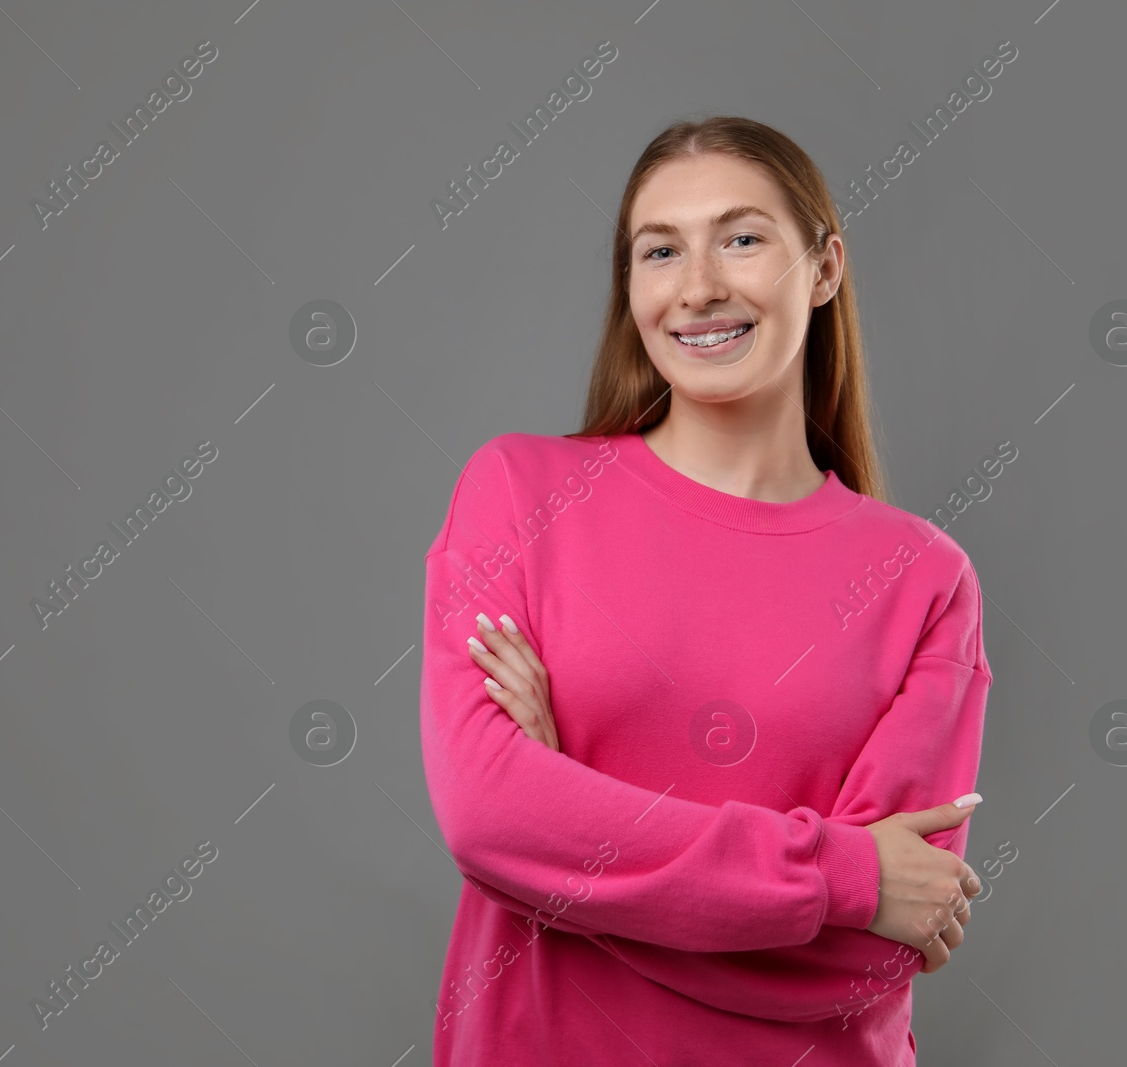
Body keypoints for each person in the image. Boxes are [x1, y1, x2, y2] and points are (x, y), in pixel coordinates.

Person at [419, 114, 993, 1066]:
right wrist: (844, 876)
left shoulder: (925, 581)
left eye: (741, 237)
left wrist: (569, 838)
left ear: (823, 268)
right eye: (660, 251)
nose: (698, 288)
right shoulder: (518, 494)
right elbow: (487, 819)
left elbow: (857, 962)